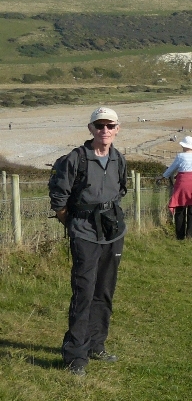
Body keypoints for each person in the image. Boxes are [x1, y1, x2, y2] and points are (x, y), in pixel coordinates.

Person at [49, 107, 128, 376]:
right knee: (83, 292)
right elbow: (59, 199)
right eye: (99, 125)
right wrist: (73, 224)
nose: (104, 130)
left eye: (110, 126)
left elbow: (120, 192)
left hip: (112, 234)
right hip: (84, 233)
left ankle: (97, 345)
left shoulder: (119, 159)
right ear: (91, 129)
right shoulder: (76, 159)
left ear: (117, 129)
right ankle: (75, 356)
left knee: (104, 291)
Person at [163, 136, 192, 240]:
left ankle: (180, 235)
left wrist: (164, 175)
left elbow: (172, 168)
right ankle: (191, 235)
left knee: (180, 208)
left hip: (182, 183)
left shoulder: (180, 156)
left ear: (184, 146)